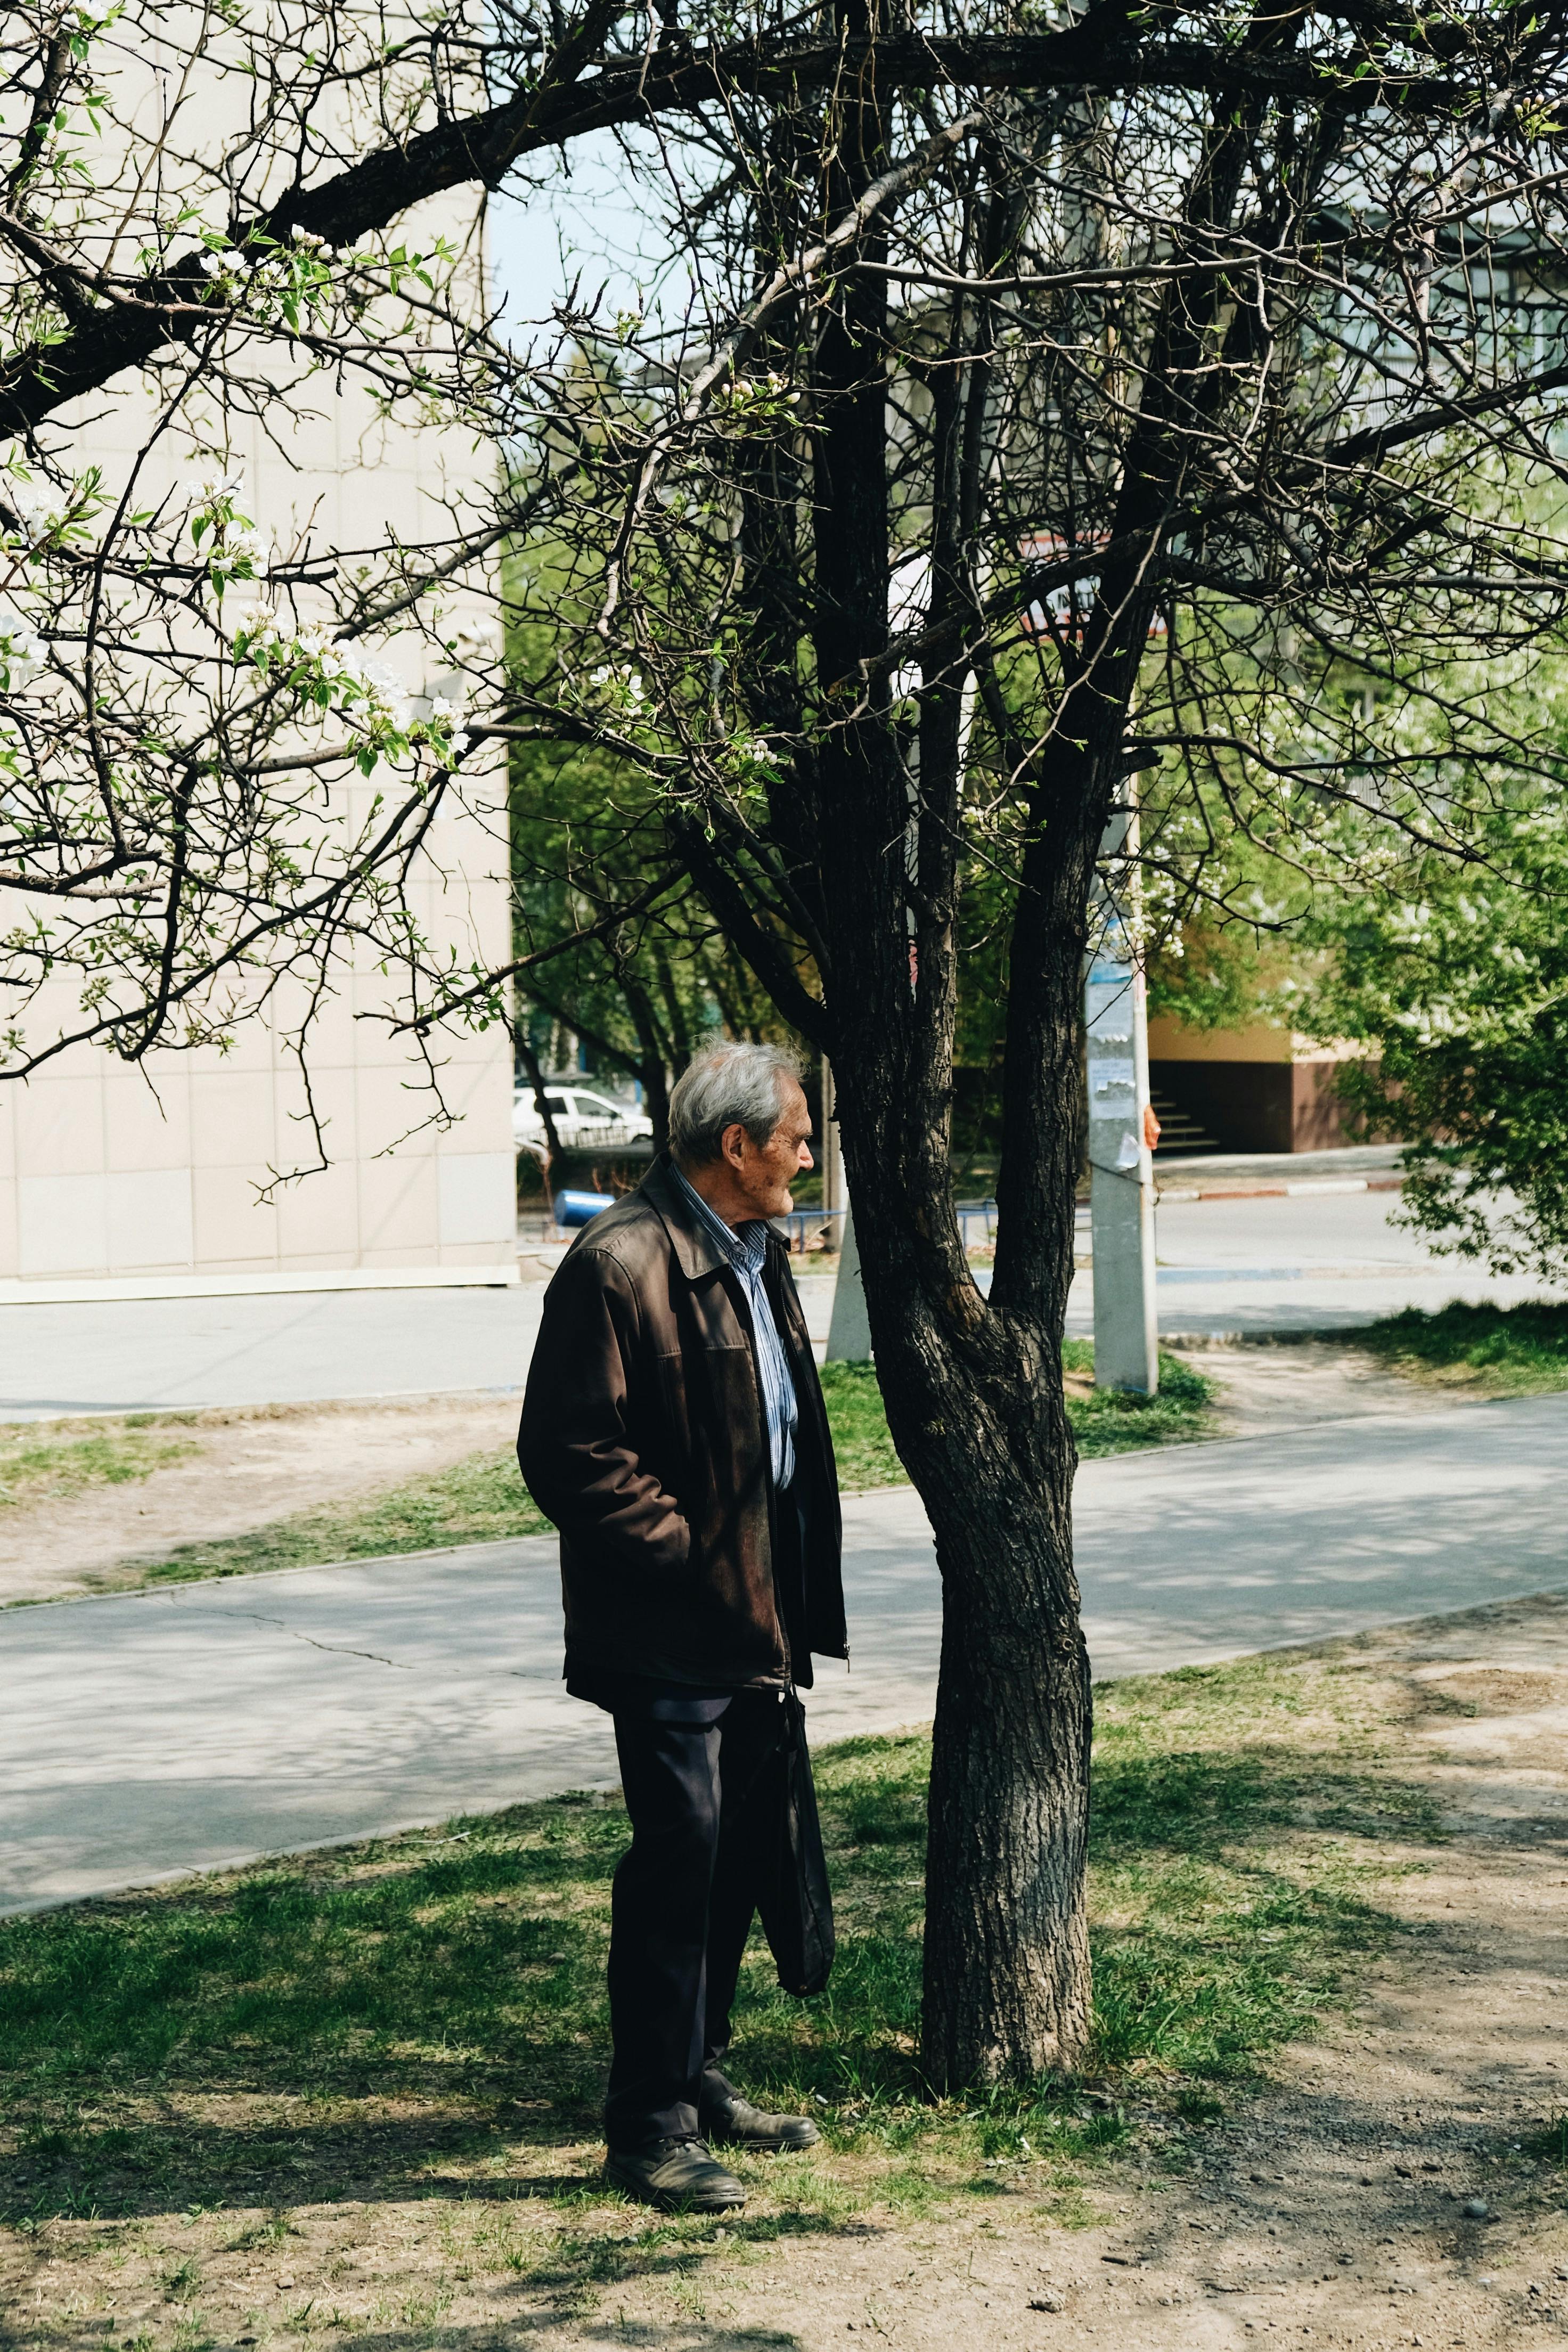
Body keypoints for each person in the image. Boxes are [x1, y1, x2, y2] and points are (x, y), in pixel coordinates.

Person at [517, 1039, 847, 2214]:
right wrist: (691, 1561)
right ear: (737, 1144)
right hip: (667, 1627)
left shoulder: (755, 1251)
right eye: (796, 1138)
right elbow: (568, 1453)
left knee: (735, 1857)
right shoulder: (619, 1262)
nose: (806, 1156)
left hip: (755, 1615)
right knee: (680, 1858)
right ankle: (646, 2128)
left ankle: (697, 2073)